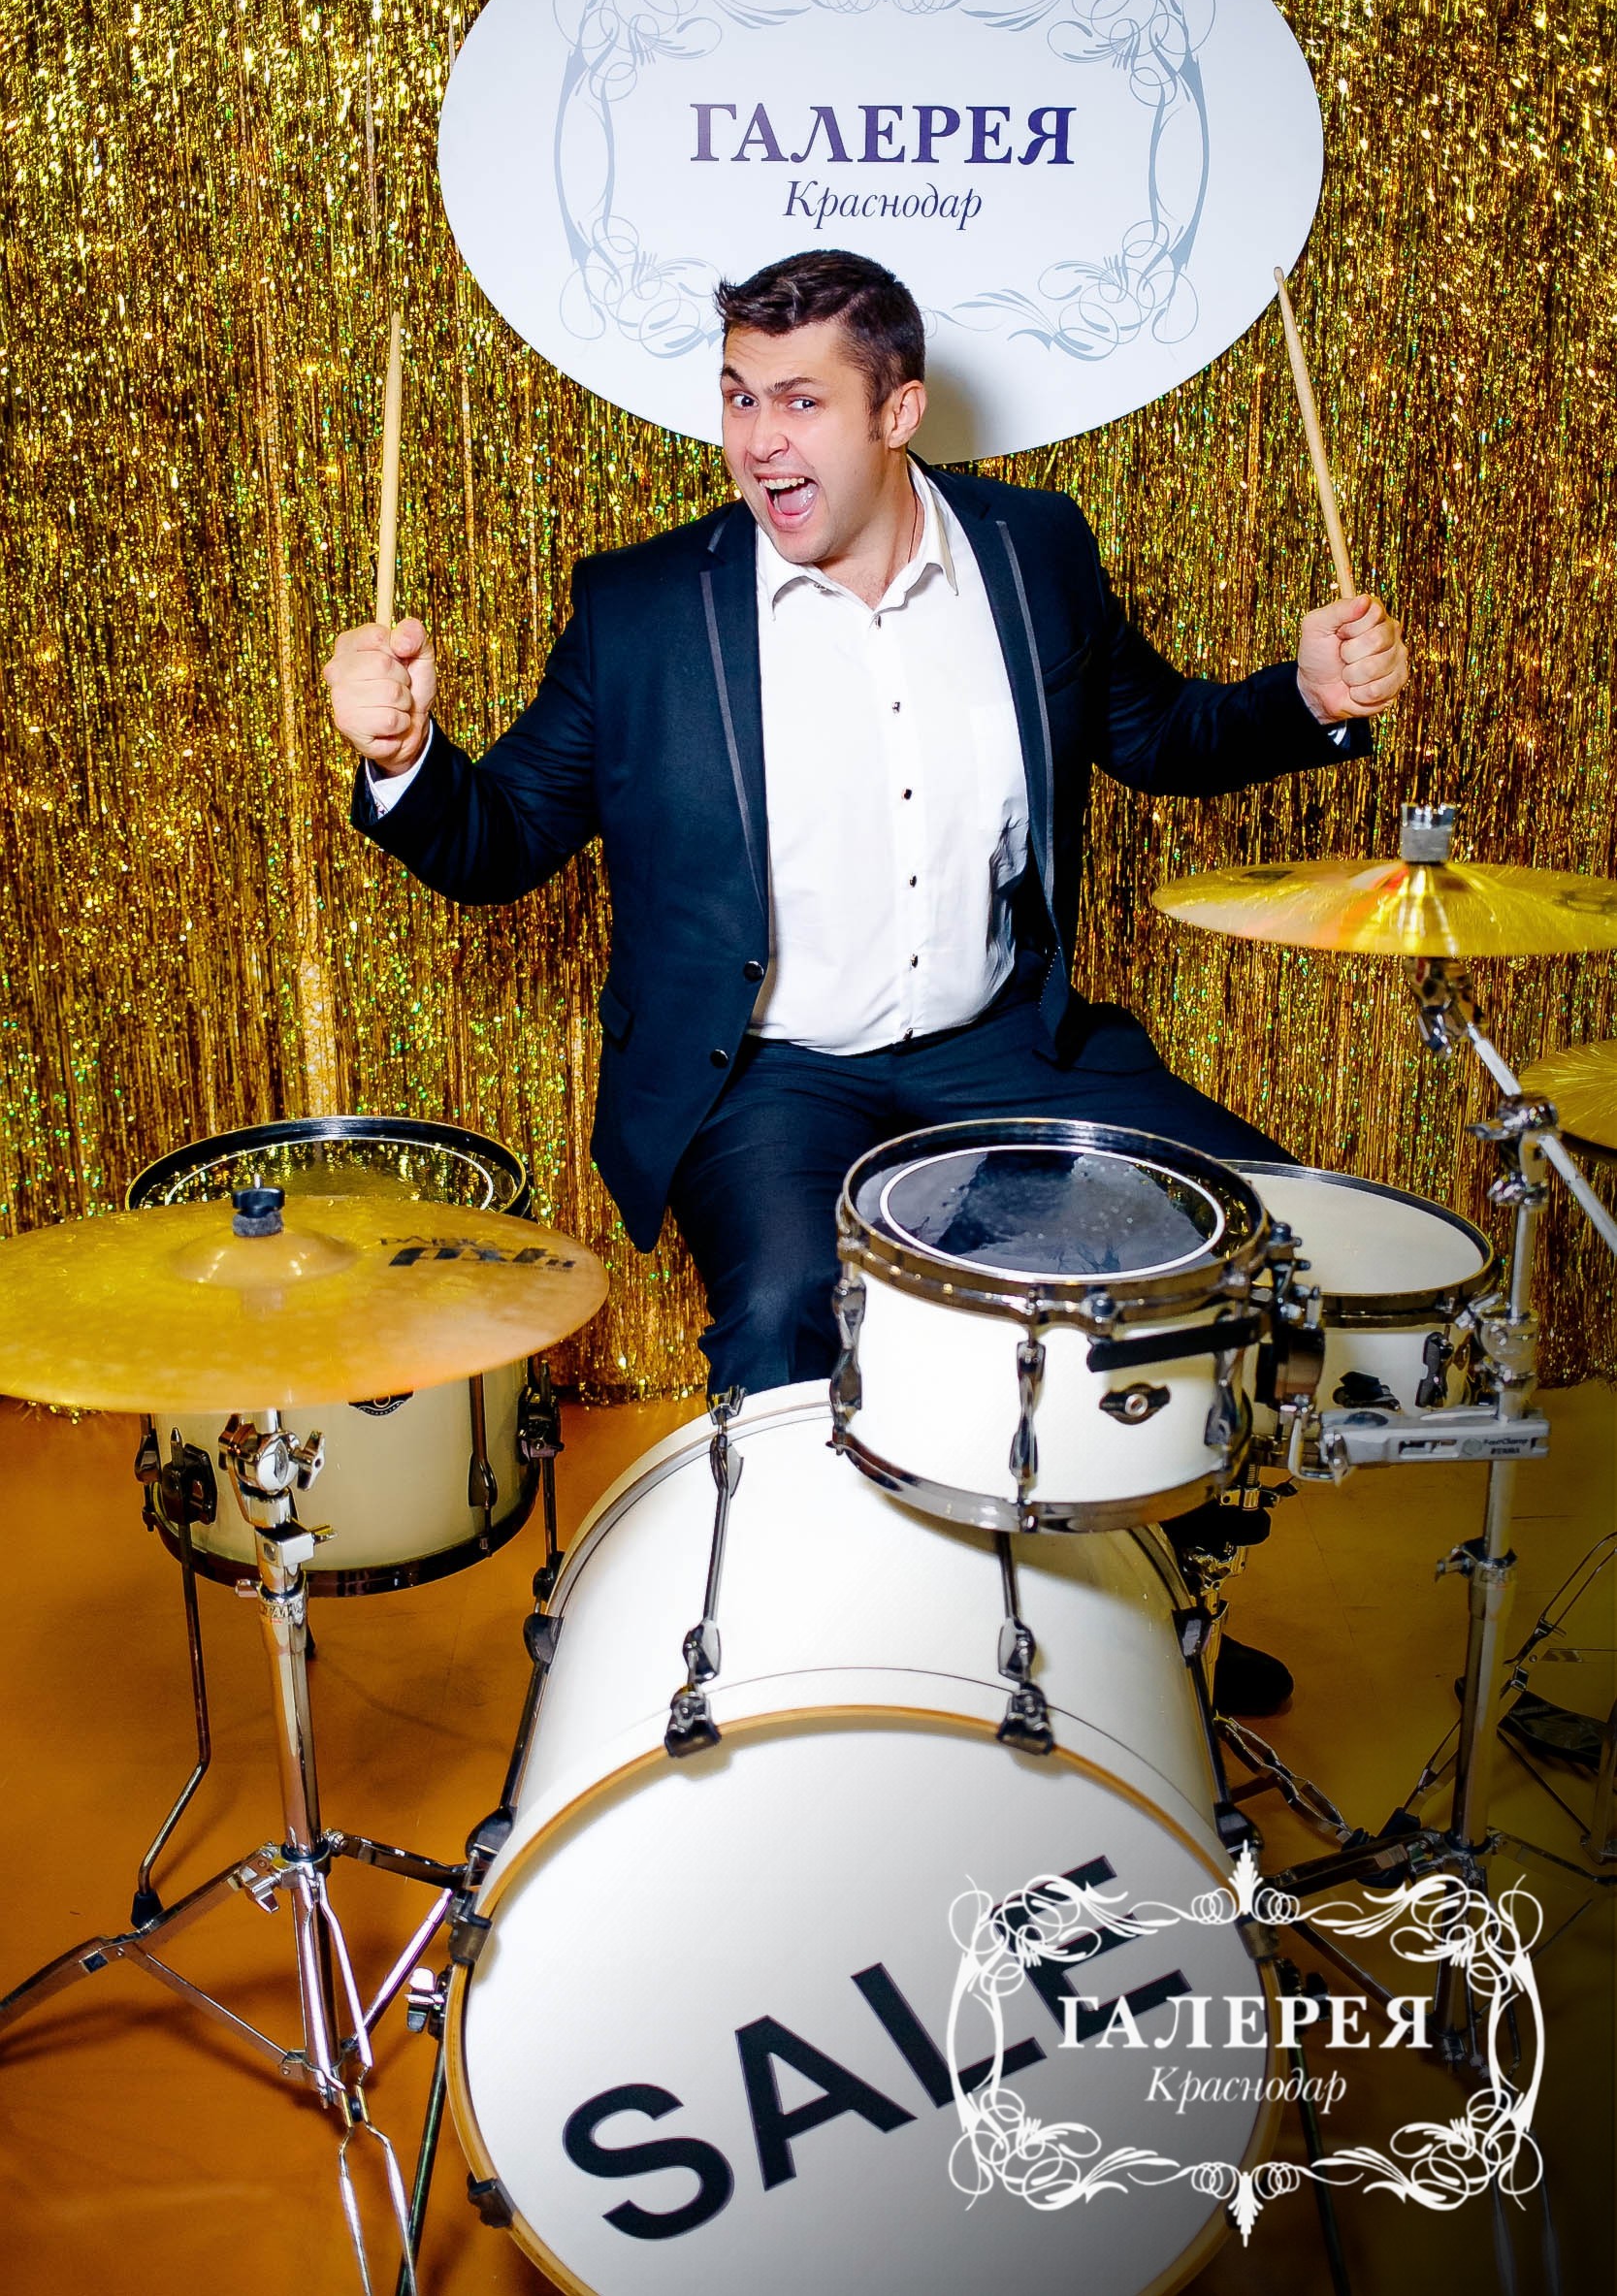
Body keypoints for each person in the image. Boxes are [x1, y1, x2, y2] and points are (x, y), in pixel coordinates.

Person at [324, 249, 1408, 1712]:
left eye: (799, 400)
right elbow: (501, 840)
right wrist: (404, 761)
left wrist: (1309, 699)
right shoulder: (644, 610)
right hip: (769, 1073)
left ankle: (1158, 1614)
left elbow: (1154, 733)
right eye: (737, 398)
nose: (758, 439)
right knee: (782, 1306)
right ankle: (823, 1658)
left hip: (998, 1045)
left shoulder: (1032, 551)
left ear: (898, 412)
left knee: (1248, 1232)